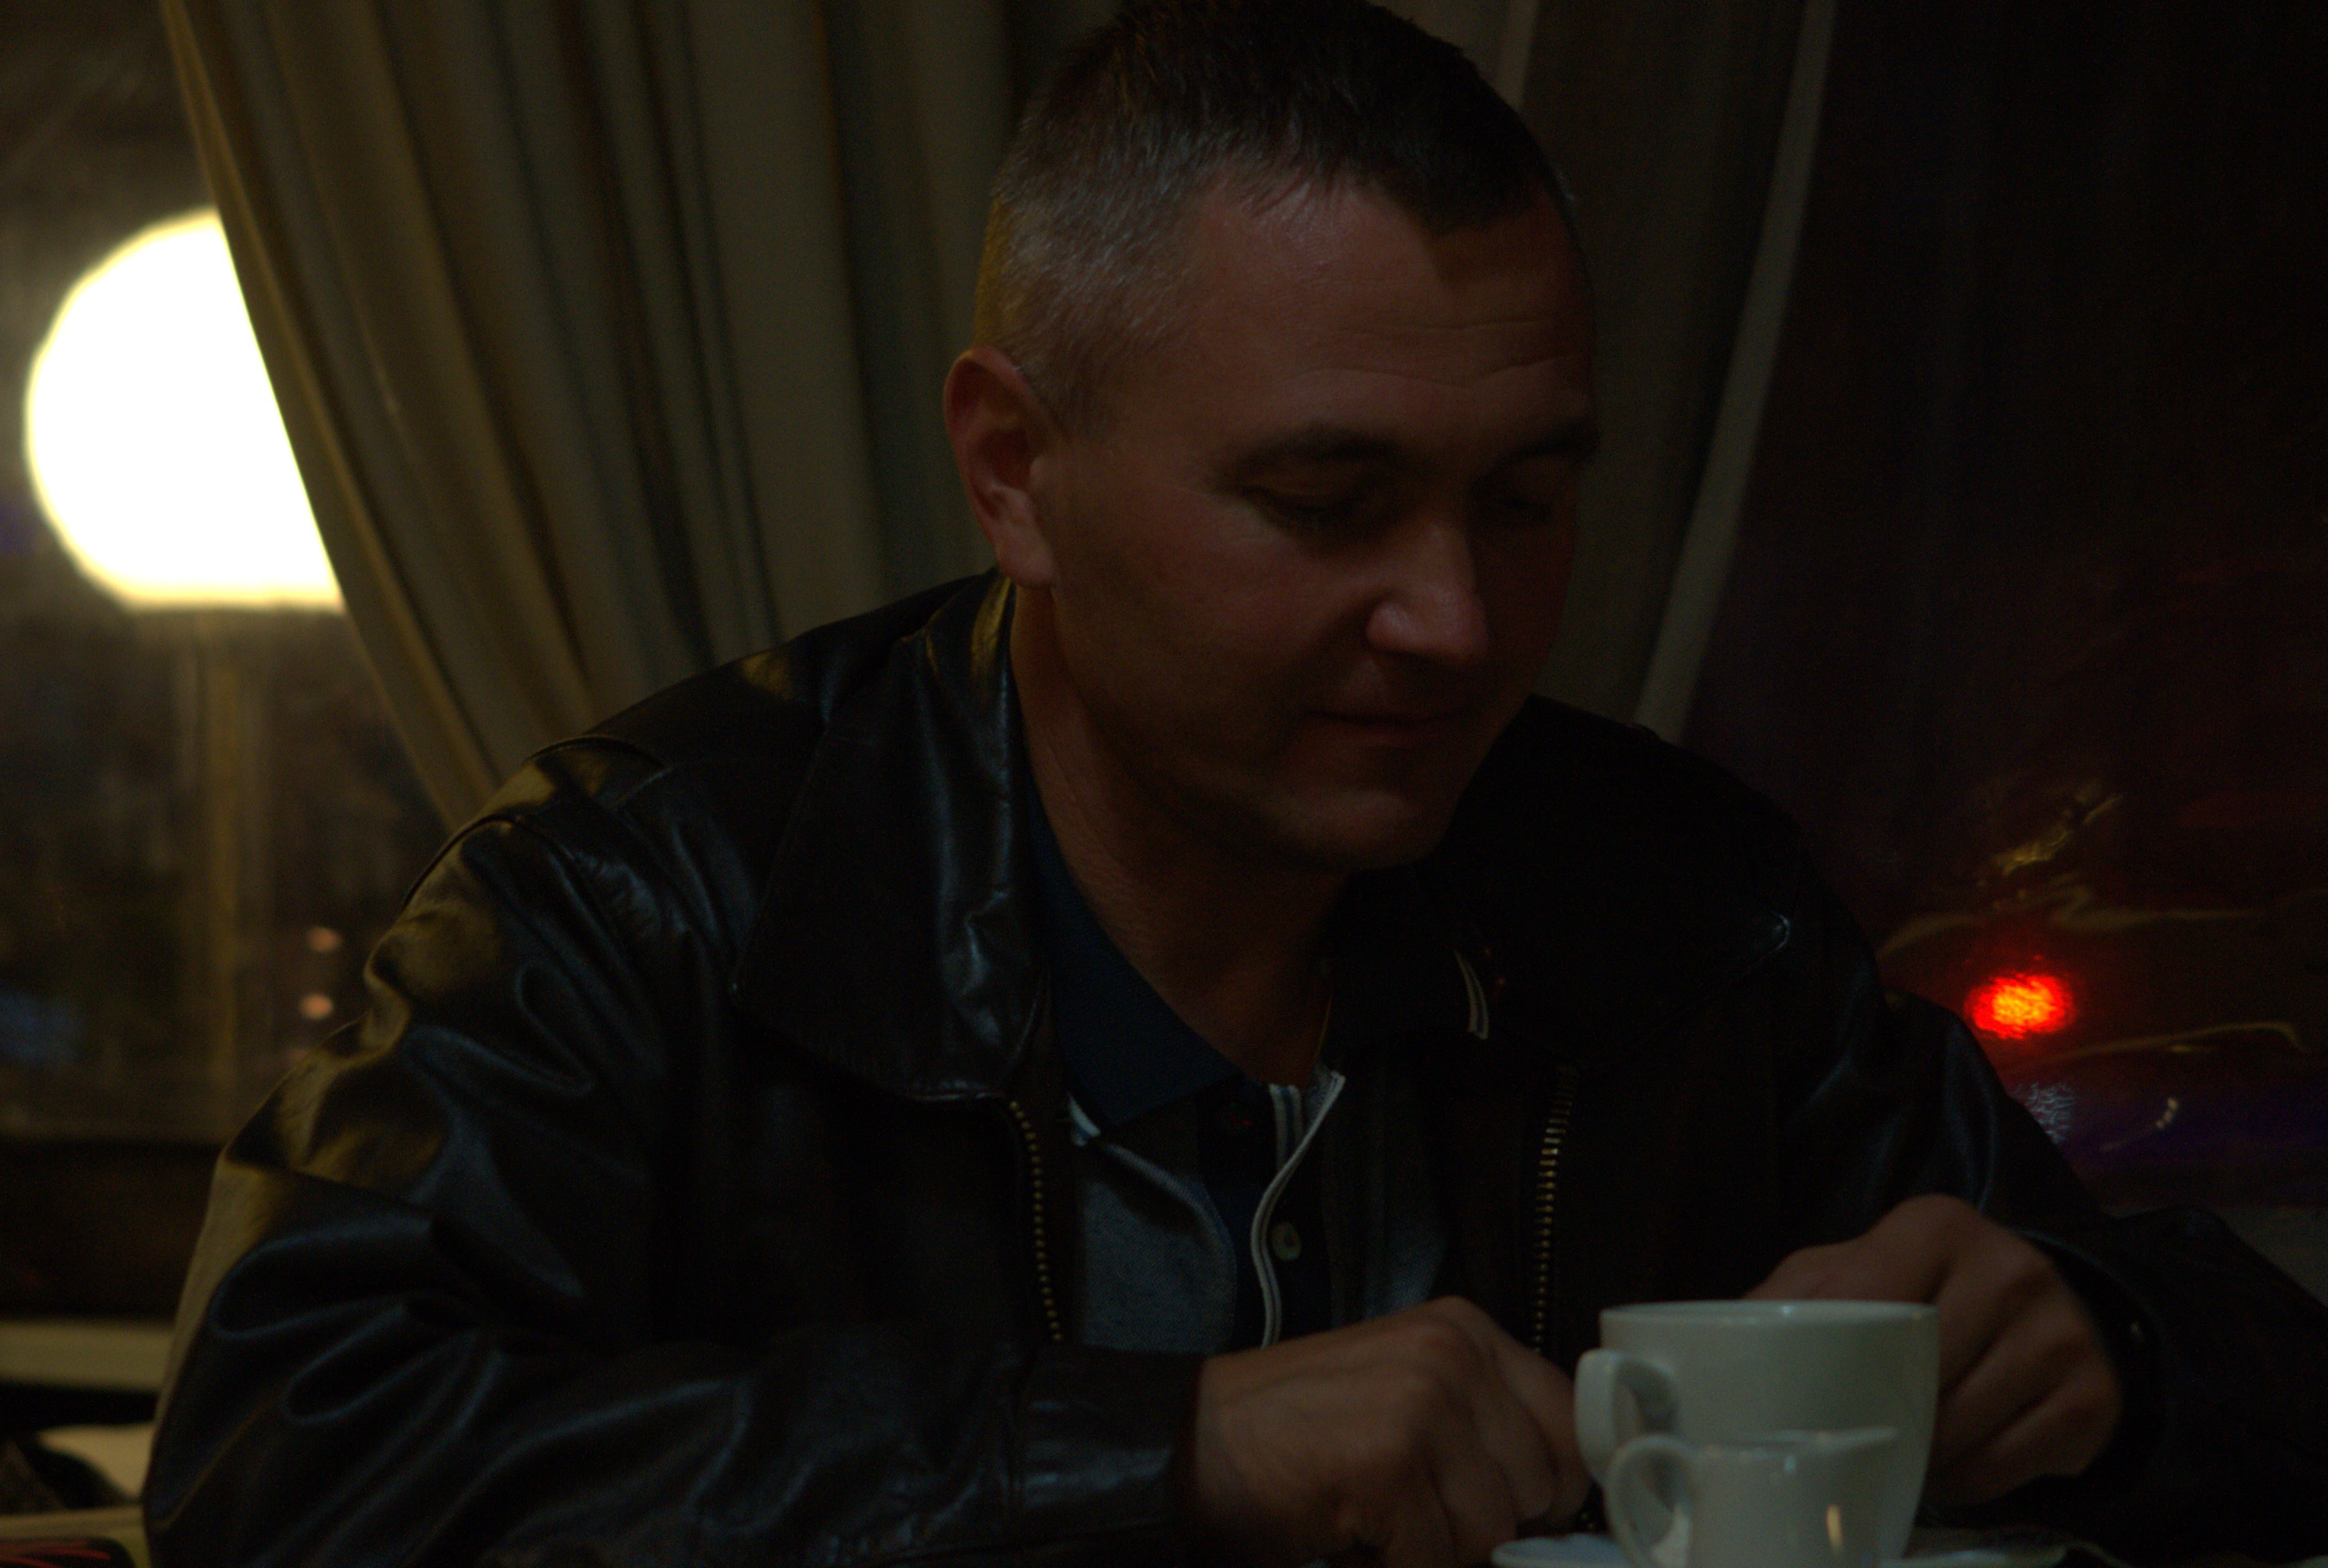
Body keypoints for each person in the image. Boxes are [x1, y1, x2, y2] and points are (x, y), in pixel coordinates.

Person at [144, 3, 2328, 1565]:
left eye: (1526, 499)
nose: (1455, 620)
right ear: (1017, 469)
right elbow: (286, 1457)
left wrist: (2109, 1351)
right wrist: (1167, 1450)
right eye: (1327, 502)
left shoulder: (1674, 901)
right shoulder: (652, 893)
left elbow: (2273, 1373)